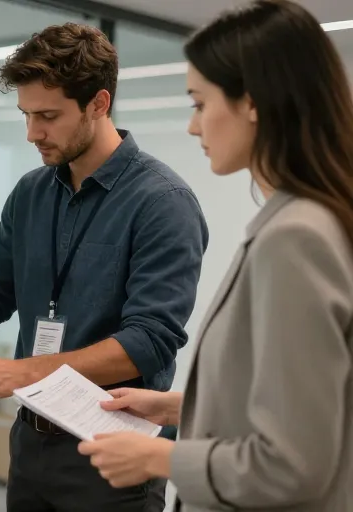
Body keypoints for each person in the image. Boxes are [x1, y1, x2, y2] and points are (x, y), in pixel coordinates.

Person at [0, 22, 208, 511]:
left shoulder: (163, 202)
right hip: (31, 444)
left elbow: (149, 341)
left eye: (48, 116)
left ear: (99, 104)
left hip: (112, 451)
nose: (33, 133)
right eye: (27, 115)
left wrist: (22, 372)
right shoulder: (31, 193)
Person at [77, 1, 353, 510]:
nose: (193, 126)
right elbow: (304, 408)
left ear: (253, 103)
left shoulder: (296, 239)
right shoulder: (312, 221)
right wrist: (180, 409)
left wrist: (158, 457)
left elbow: (292, 464)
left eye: (200, 104)